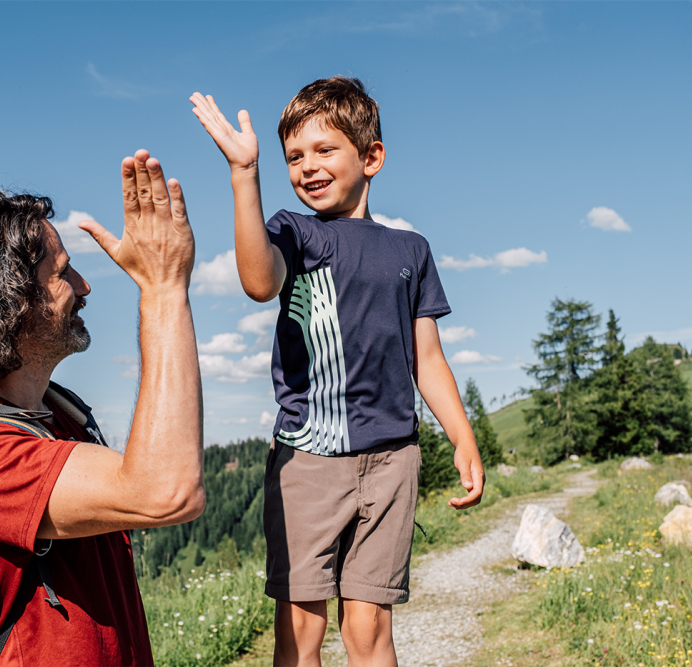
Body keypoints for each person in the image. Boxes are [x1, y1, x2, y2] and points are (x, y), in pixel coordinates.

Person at [191, 77, 484, 666]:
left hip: (393, 460)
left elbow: (427, 358)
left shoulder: (412, 251)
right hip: (309, 460)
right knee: (300, 629)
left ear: (370, 157)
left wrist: (462, 435)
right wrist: (243, 176)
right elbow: (258, 281)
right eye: (294, 157)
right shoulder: (295, 233)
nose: (308, 167)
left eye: (326, 150)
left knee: (370, 626)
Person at [0, 150, 204, 666]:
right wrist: (164, 288)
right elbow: (166, 492)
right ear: (9, 300)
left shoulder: (51, 418)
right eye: (62, 273)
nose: (83, 287)